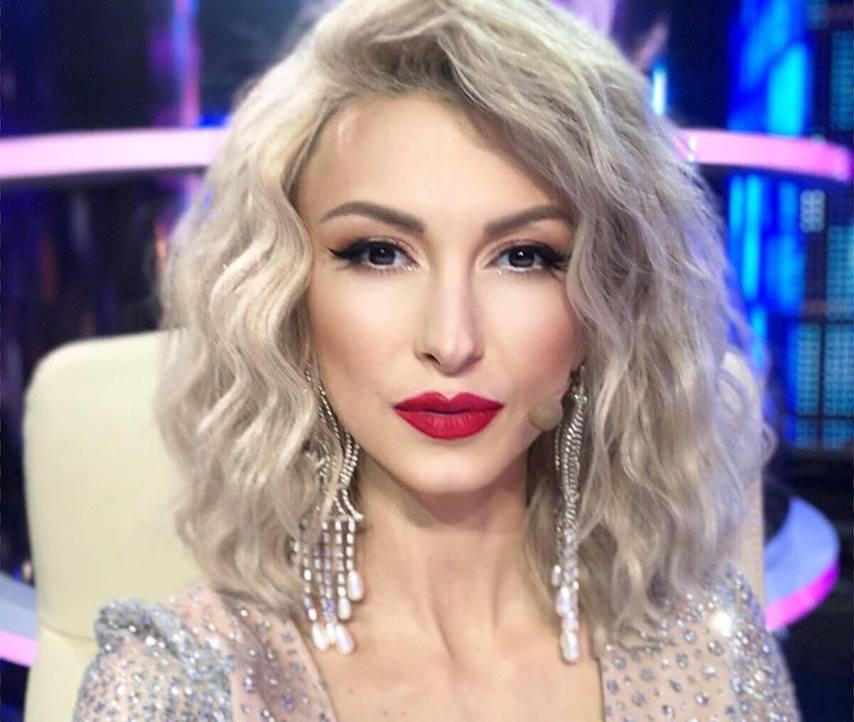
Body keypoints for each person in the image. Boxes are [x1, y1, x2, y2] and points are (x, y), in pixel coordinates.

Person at [72, 0, 801, 720]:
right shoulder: (177, 683)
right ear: (288, 298)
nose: (451, 341)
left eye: (524, 257)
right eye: (378, 253)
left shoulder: (705, 649)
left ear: (606, 305)